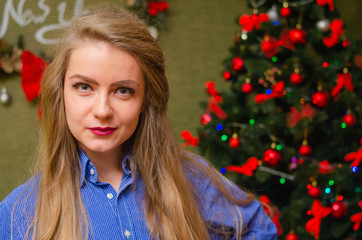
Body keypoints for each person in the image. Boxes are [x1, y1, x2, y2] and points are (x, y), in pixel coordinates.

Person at [0, 7, 277, 240]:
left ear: (146, 100)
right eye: (84, 86)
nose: (102, 110)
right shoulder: (18, 214)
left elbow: (260, 228)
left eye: (123, 90)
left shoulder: (191, 178)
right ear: (60, 93)